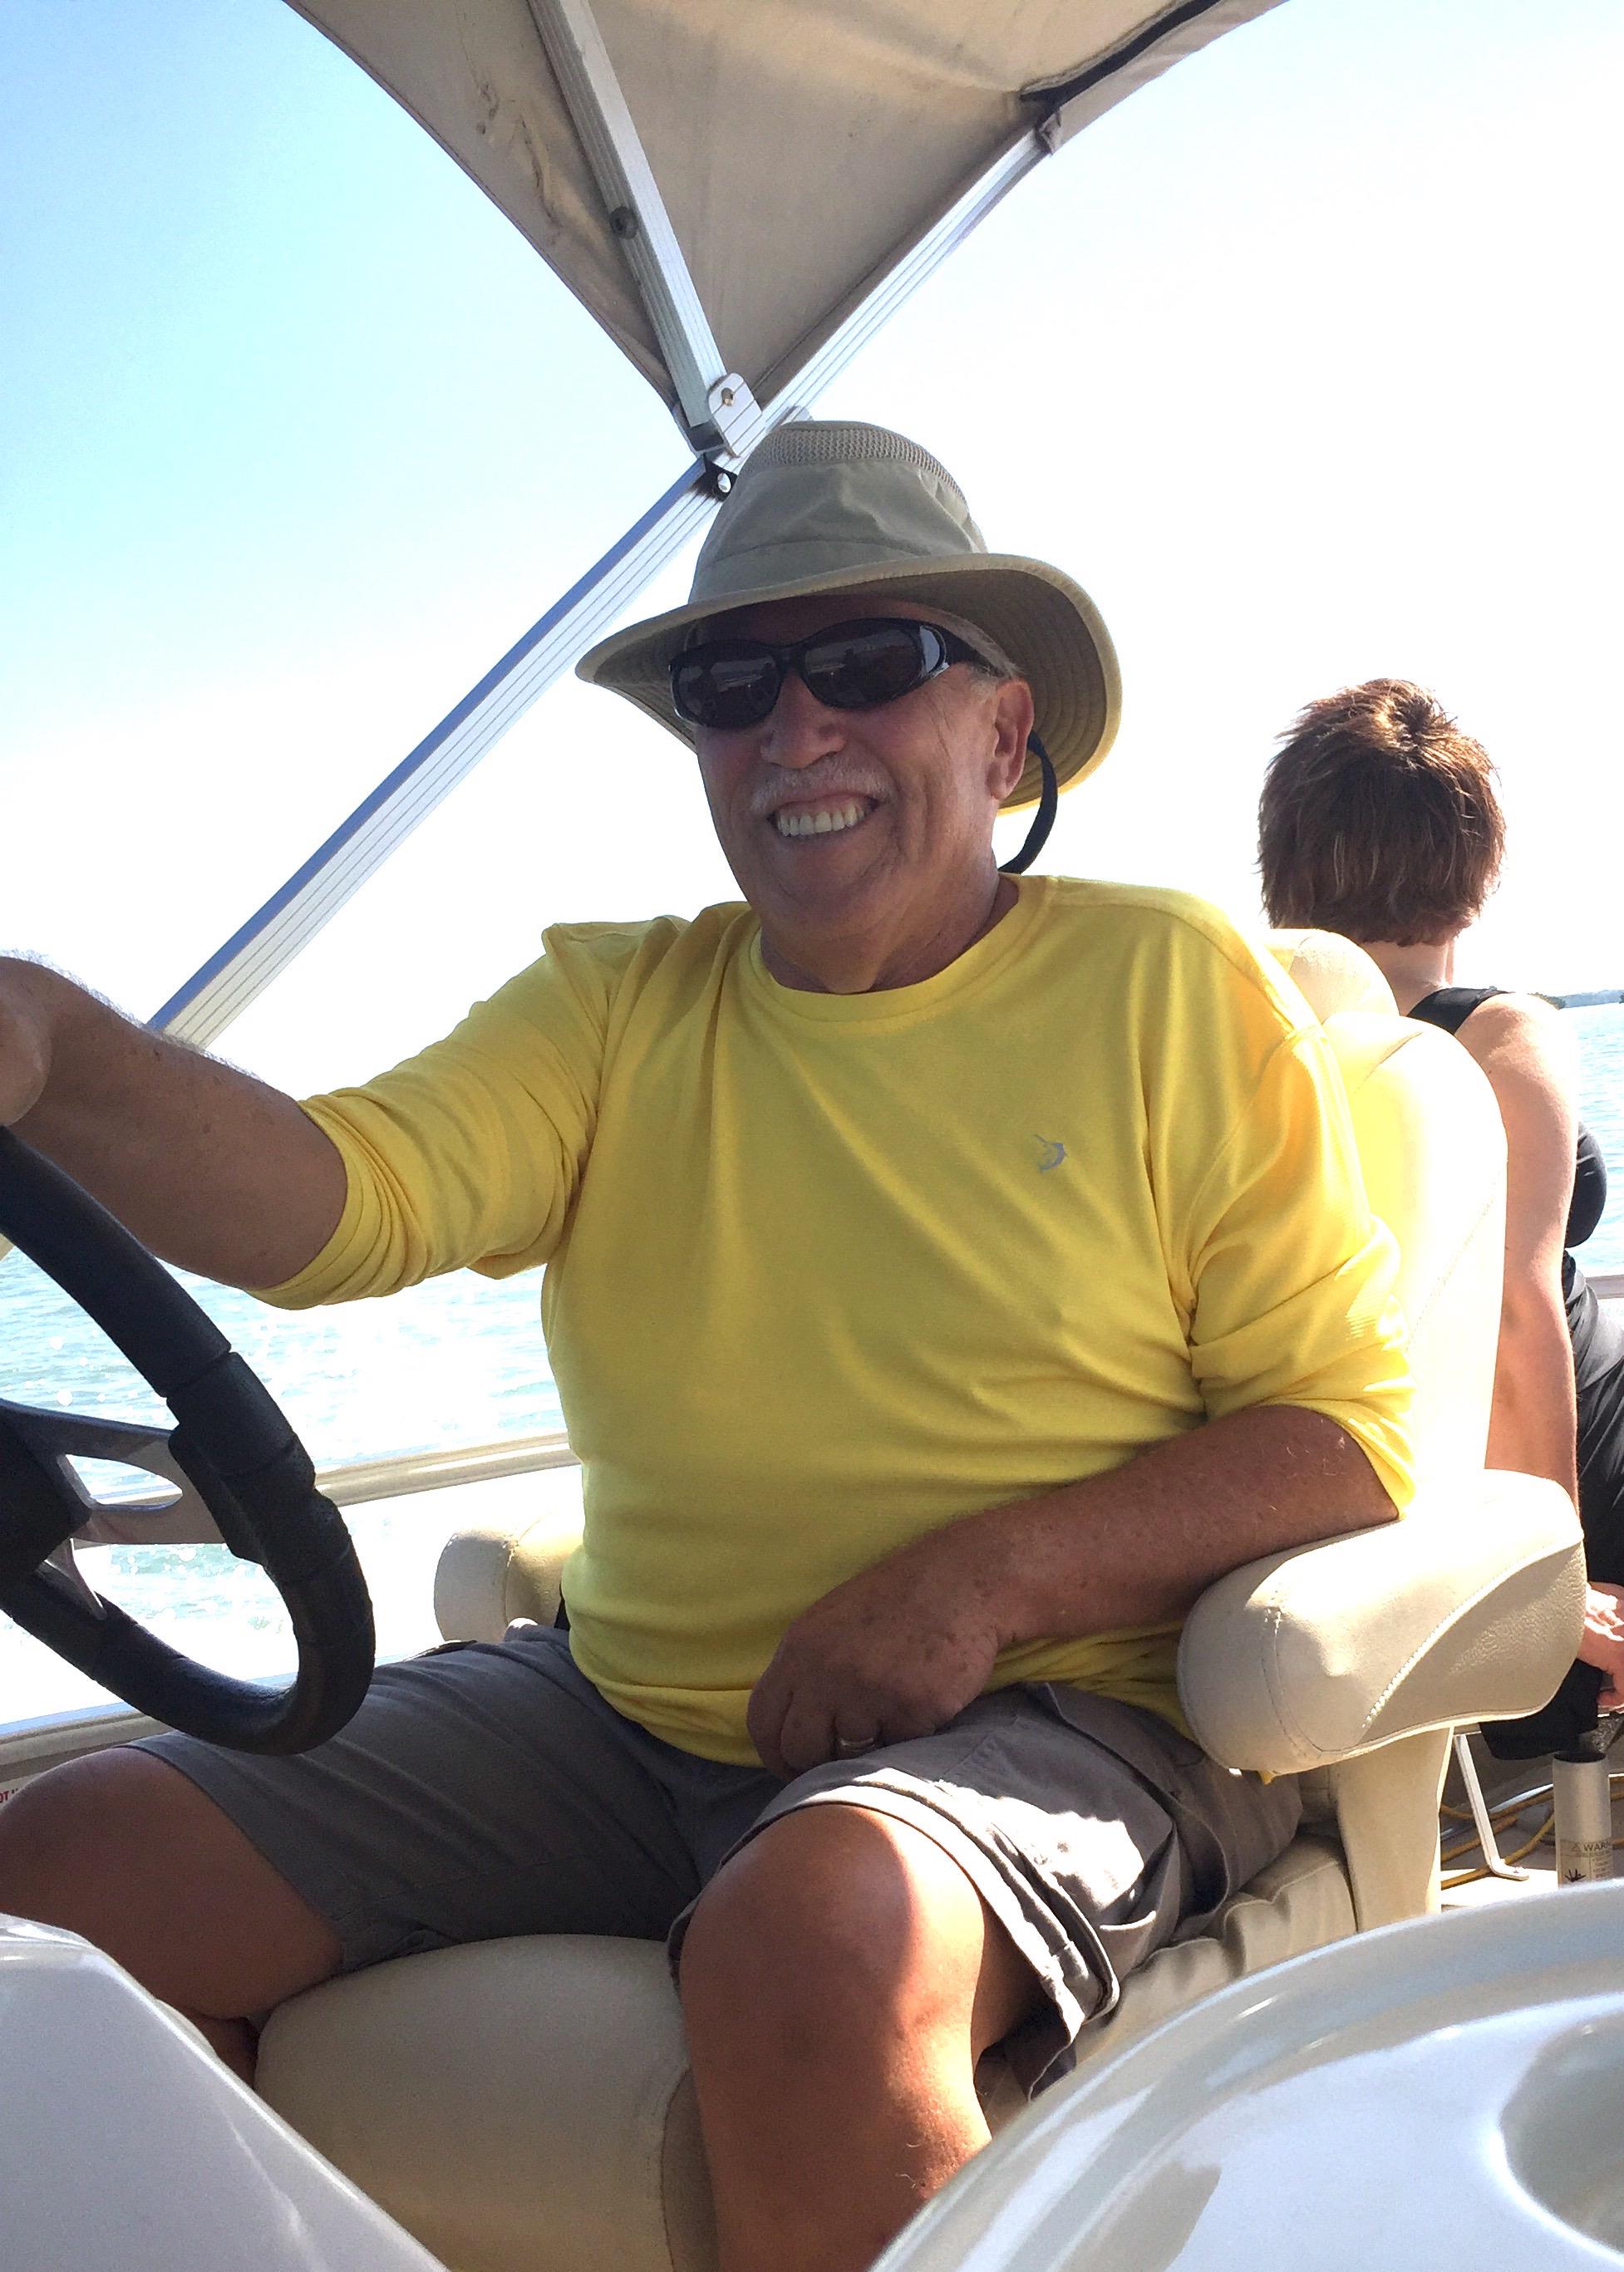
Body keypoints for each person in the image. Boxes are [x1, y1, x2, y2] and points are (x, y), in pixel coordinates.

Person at [0, 422, 1412, 2272]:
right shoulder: (610, 1005)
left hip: (1076, 1704)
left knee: (814, 1929)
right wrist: (52, 1049)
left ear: (1003, 733)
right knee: (53, 1874)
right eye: (732, 684)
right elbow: (328, 1201)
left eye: (867, 661)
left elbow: (1347, 1434)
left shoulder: (1166, 985)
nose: (793, 728)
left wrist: (981, 1575)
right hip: (618, 1705)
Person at [1257, 677, 1624, 1758]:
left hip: (1355, 1479)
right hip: (1525, 1496)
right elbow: (1514, 1314)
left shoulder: (1266, 1047)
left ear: (1285, 860)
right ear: (1476, 861)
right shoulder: (1497, 1036)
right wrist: (1545, 1592)